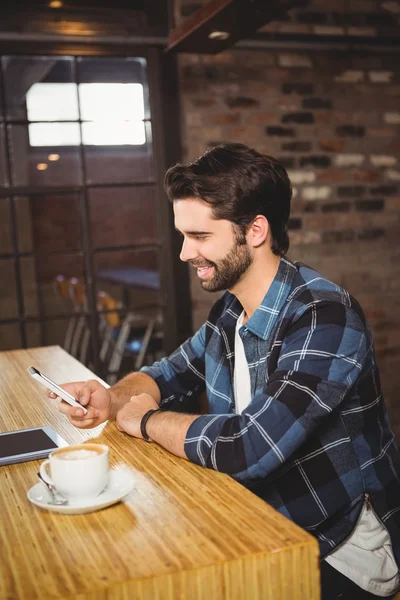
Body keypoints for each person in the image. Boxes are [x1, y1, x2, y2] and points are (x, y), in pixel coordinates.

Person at [49, 143, 400, 599]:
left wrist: (148, 421)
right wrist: (111, 399)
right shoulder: (230, 313)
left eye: (198, 236)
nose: (183, 253)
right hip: (259, 524)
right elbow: (169, 372)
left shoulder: (324, 314)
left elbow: (251, 448)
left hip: (341, 550)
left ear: (254, 231)